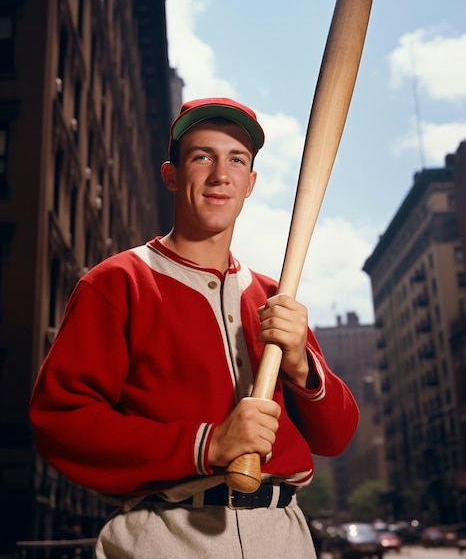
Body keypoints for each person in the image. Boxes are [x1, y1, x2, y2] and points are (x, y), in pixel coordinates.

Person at [30, 97, 359, 559]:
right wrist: (208, 443)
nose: (220, 174)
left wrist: (302, 364)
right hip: (168, 534)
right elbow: (60, 422)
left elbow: (336, 436)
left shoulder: (274, 296)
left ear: (250, 184)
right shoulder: (118, 283)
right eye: (202, 156)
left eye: (236, 160)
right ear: (171, 175)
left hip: (283, 535)